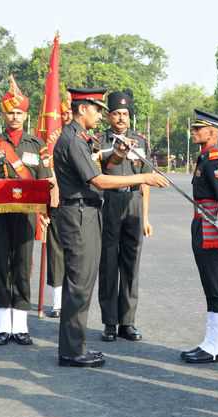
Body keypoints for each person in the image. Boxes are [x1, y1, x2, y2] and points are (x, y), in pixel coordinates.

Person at [53, 87, 168, 368]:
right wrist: (145, 176)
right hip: (80, 213)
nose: (102, 115)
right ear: (83, 109)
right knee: (80, 283)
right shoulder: (74, 140)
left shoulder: (80, 138)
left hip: (91, 212)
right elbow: (100, 180)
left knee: (86, 281)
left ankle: (76, 345)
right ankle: (72, 350)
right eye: (98, 109)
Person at [0, 76, 52, 346]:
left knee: (22, 267)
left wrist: (48, 211)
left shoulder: (37, 145)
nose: (14, 117)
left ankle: (21, 325)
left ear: (26, 114)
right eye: (10, 112)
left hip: (27, 215)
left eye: (19, 112)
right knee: (0, 267)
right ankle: (2, 326)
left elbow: (46, 179)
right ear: (4, 114)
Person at [180, 110, 218, 364]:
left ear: (213, 133)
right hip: (200, 226)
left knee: (216, 286)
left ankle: (217, 345)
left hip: (211, 232)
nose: (193, 132)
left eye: (199, 128)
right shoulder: (203, 158)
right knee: (209, 285)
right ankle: (210, 341)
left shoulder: (214, 161)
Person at [96, 91, 153, 342]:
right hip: (108, 203)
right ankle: (109, 322)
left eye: (125, 114)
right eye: (116, 113)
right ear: (108, 116)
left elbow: (146, 182)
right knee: (109, 264)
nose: (121, 118)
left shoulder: (141, 141)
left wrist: (146, 217)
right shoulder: (99, 141)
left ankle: (127, 322)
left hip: (134, 203)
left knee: (131, 265)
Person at [45, 91, 73, 318]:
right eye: (62, 113)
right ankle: (57, 300)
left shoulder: (86, 139)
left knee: (78, 254)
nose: (66, 116)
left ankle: (73, 298)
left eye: (70, 112)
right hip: (56, 201)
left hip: (81, 204)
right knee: (56, 253)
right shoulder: (51, 138)